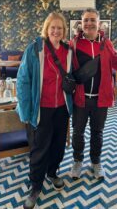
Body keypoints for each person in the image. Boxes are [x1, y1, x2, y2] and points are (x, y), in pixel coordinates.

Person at [16, 12, 73, 209]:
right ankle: (35, 186)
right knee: (40, 149)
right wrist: (25, 110)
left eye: (59, 28)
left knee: (57, 145)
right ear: (46, 29)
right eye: (52, 27)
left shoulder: (68, 51)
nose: (56, 31)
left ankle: (53, 173)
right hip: (41, 109)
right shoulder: (34, 50)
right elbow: (23, 80)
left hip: (61, 109)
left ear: (64, 31)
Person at [70, 8, 117, 180]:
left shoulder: (107, 44)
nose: (89, 23)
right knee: (78, 132)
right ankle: (77, 161)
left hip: (101, 99)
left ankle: (96, 162)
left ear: (99, 23)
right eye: (86, 20)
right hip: (80, 98)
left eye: (92, 20)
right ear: (81, 23)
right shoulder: (74, 44)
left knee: (97, 132)